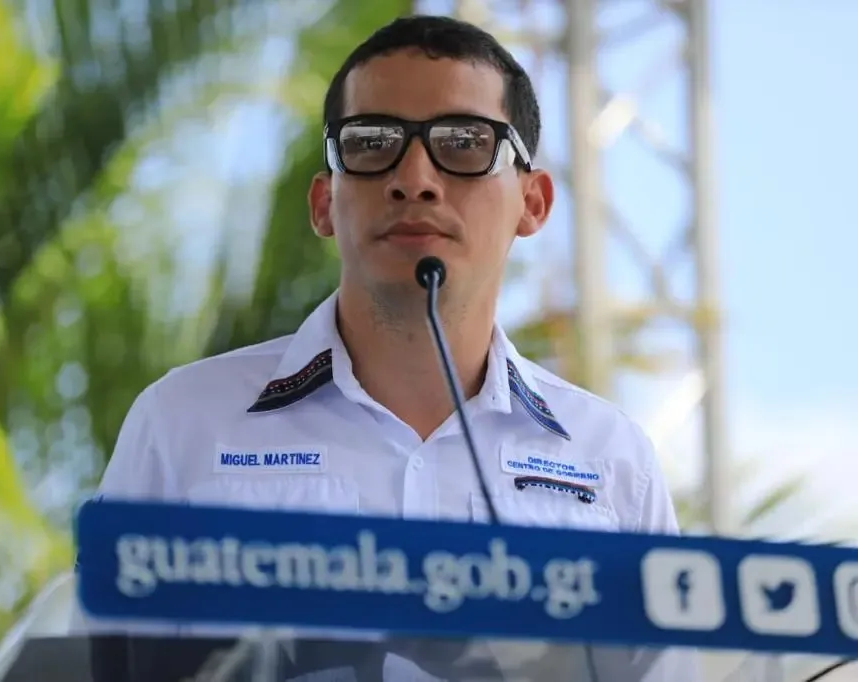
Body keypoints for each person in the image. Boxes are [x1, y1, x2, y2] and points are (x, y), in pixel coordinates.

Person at [78, 14, 699, 681]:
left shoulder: (609, 459)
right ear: (324, 203)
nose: (415, 179)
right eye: (372, 143)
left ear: (533, 202)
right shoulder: (183, 423)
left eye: (463, 143)